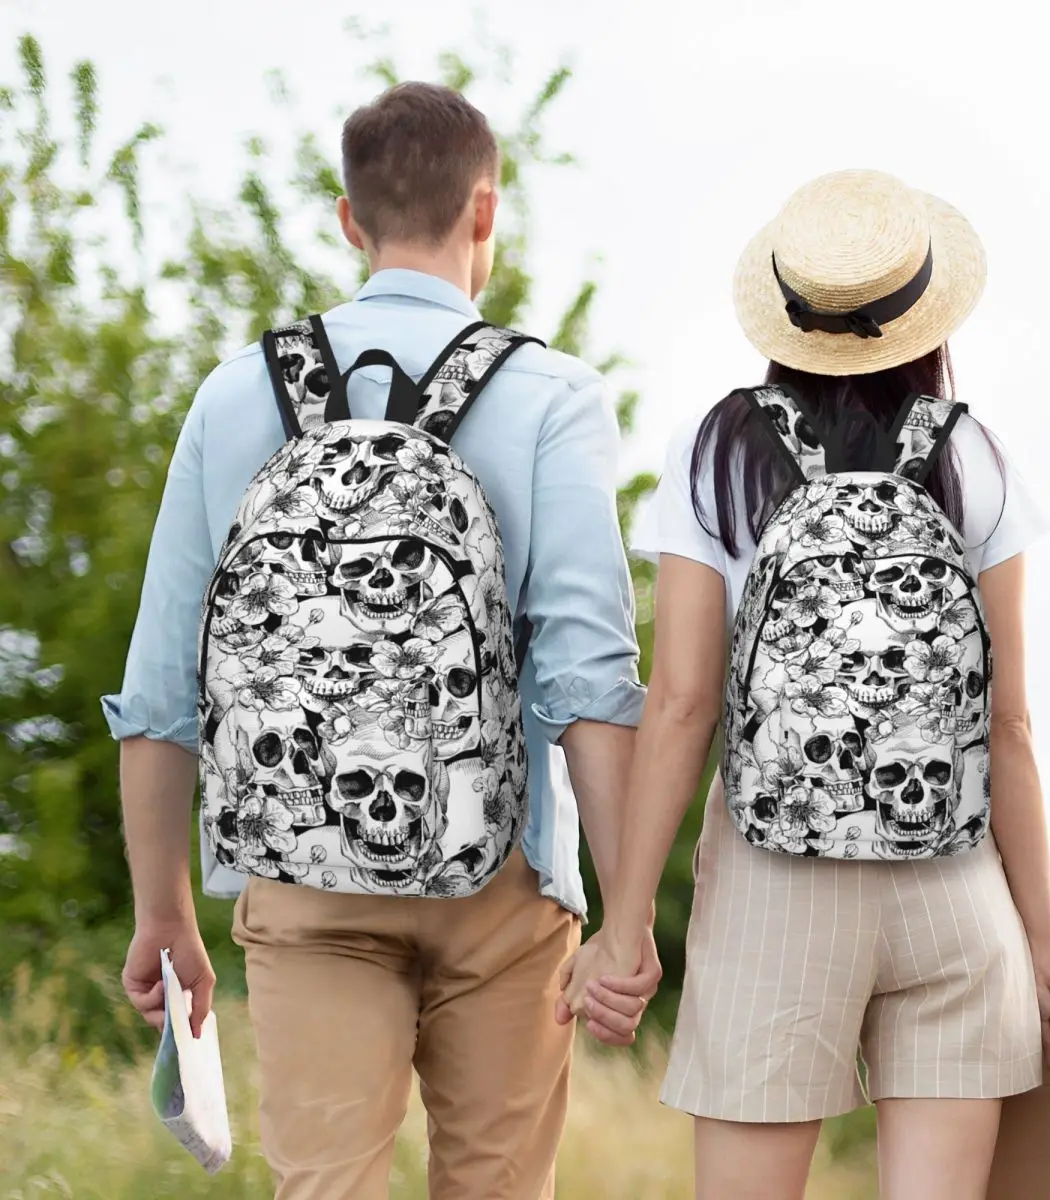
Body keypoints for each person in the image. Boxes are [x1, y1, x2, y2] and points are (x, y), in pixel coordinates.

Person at [104, 81, 661, 1200]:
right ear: (486, 213)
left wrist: (163, 911)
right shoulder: (551, 395)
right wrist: (627, 915)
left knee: (325, 1187)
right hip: (504, 877)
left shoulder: (233, 396)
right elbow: (588, 679)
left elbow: (163, 683)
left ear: (349, 220)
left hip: (301, 878)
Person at [560, 169, 1050, 1200]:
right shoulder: (976, 456)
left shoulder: (718, 451)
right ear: (924, 316)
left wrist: (624, 927)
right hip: (954, 888)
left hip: (773, 886)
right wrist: (1043, 943)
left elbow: (681, 704)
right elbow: (1009, 723)